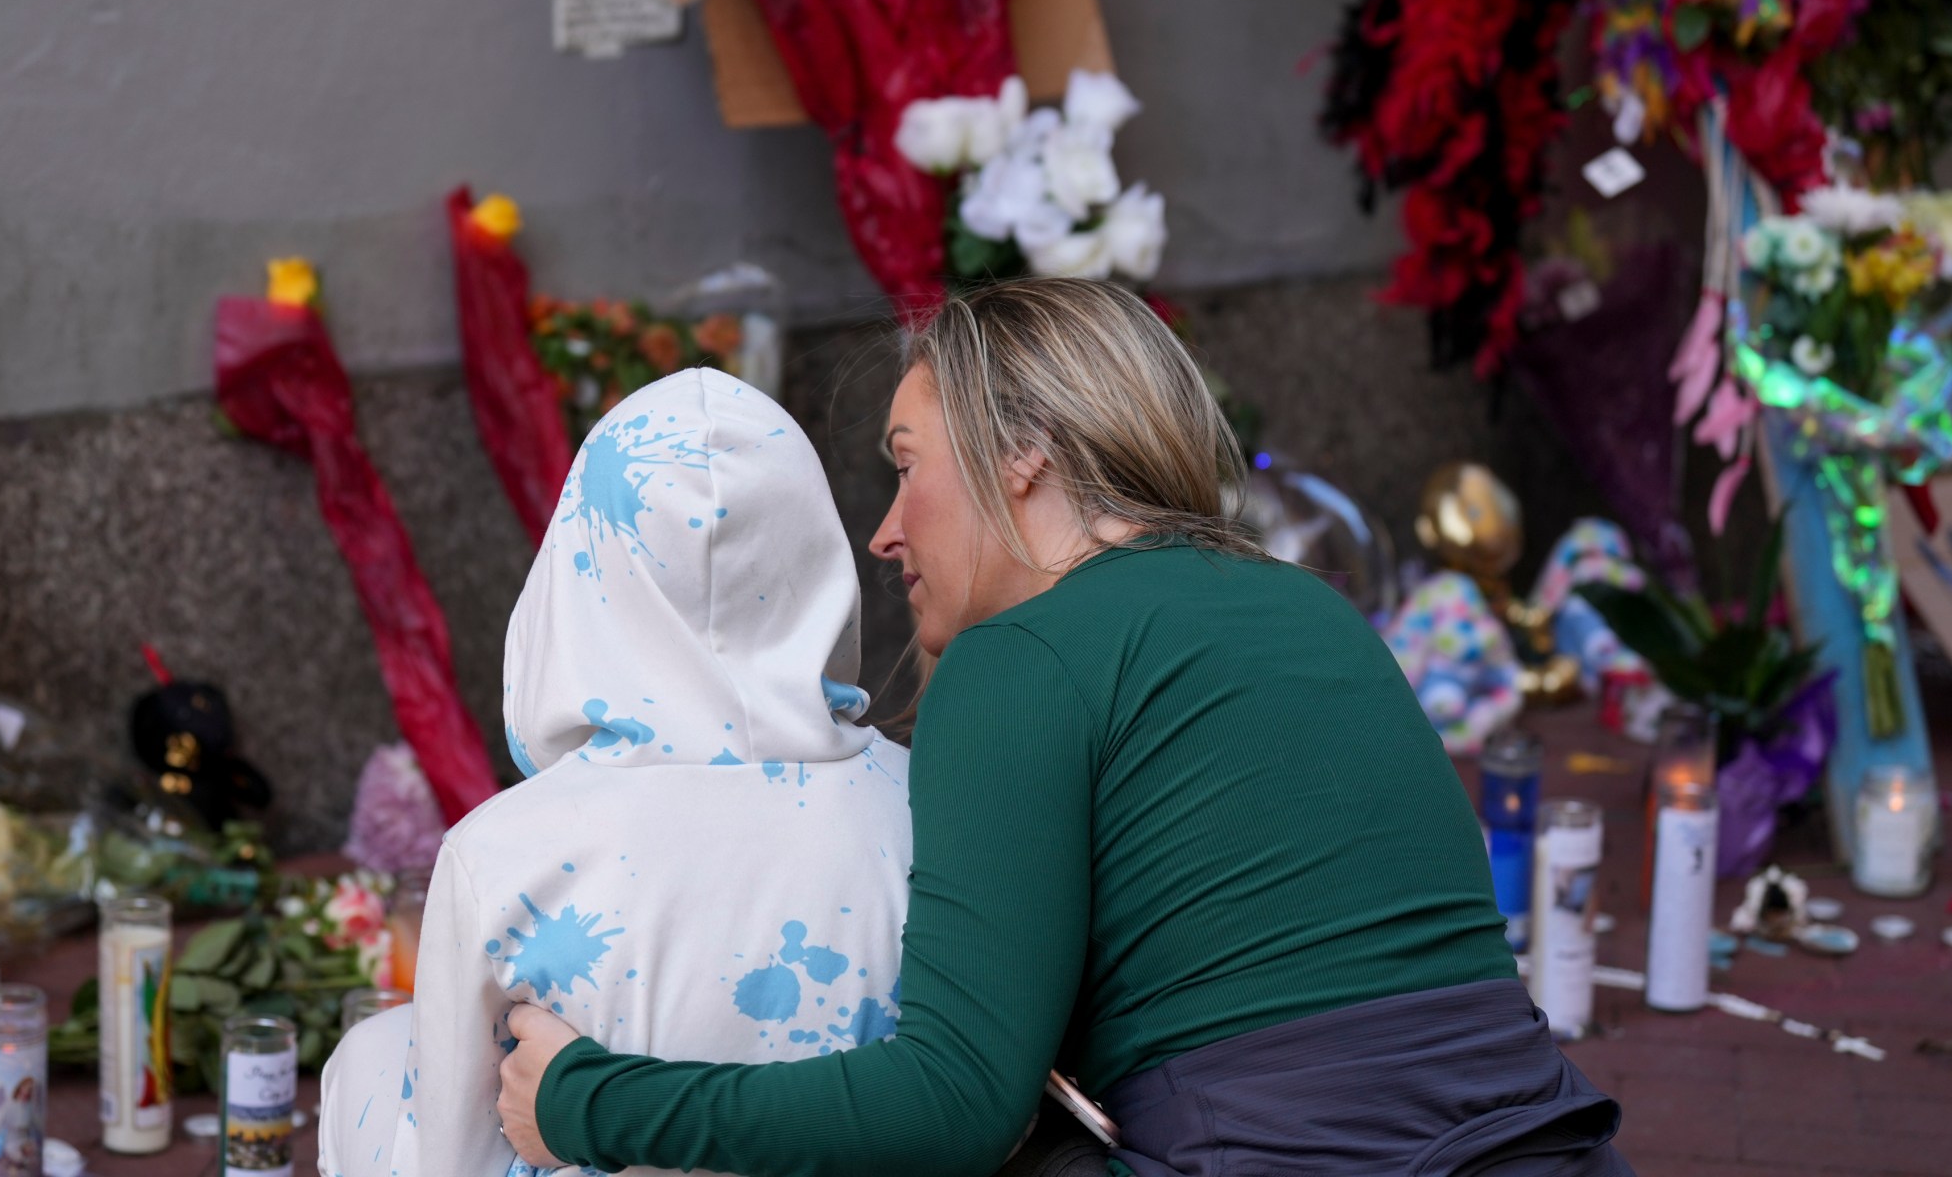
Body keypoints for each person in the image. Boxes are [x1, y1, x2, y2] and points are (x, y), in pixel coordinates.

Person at [497, 279, 1630, 1177]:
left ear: (1021, 450)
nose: (885, 534)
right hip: (1545, 1145)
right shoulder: (1307, 604)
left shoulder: (1022, 654)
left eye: (905, 465)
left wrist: (587, 1098)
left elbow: (946, 1108)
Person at [317, 368, 915, 1177]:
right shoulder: (926, 803)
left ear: (581, 565)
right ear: (810, 553)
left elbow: (443, 1155)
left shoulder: (506, 852)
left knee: (374, 1055)